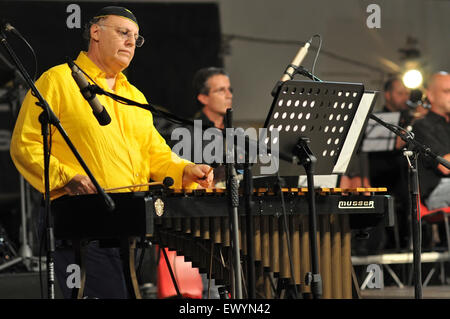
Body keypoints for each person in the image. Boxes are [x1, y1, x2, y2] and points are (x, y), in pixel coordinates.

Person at [9, 6, 213, 299]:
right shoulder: (57, 81)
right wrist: (66, 177)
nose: (131, 42)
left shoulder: (133, 96)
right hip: (80, 223)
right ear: (95, 32)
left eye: (136, 38)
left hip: (128, 226)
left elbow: (155, 151)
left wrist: (183, 169)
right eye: (123, 33)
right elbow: (25, 144)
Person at [412, 72, 450, 211]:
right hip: (437, 190)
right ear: (431, 95)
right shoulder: (421, 126)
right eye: (447, 91)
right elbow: (445, 166)